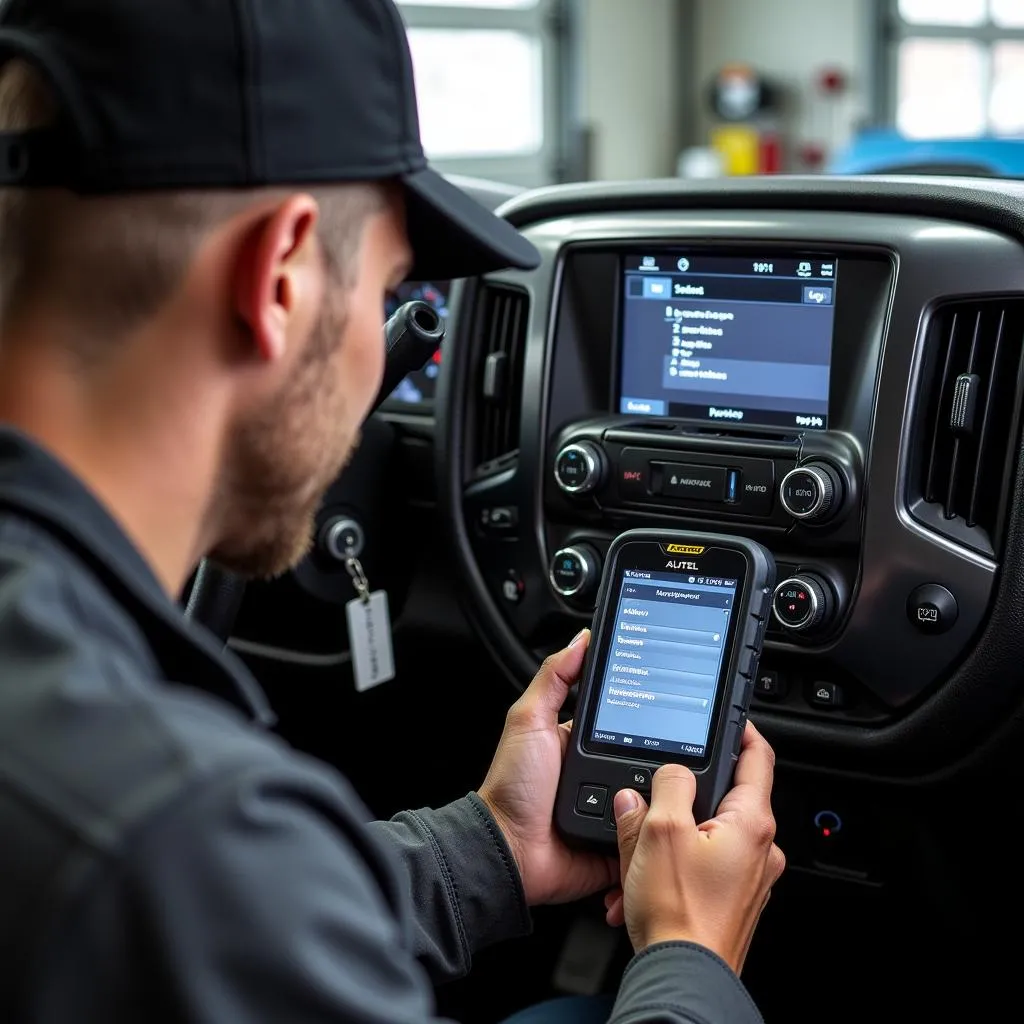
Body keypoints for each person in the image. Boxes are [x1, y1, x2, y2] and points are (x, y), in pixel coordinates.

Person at [0, 1, 785, 1022]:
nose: (381, 349)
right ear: (278, 275)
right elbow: (206, 884)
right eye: (388, 289)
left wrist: (492, 850)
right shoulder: (172, 831)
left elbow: (243, 912)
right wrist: (689, 960)